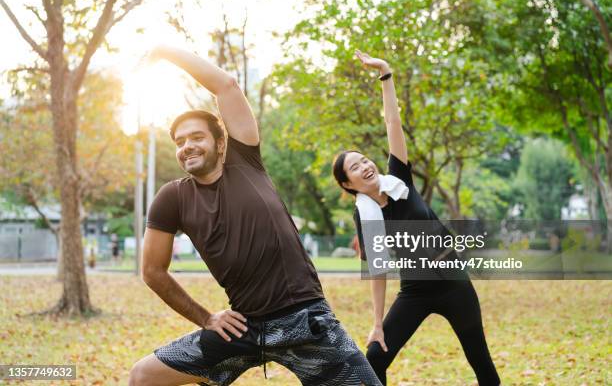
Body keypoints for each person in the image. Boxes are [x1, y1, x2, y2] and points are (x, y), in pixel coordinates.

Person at [128, 45, 382, 386]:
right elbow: (152, 271)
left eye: (196, 137)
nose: (186, 145)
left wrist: (163, 52)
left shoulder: (244, 161)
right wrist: (205, 317)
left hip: (305, 321)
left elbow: (226, 87)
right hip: (244, 328)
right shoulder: (172, 197)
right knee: (143, 376)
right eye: (179, 141)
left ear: (221, 144)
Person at [332, 50, 501, 385]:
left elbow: (392, 123)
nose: (365, 166)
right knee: (376, 357)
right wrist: (377, 322)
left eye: (365, 160)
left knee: (481, 362)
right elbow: (377, 271)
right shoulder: (365, 216)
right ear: (348, 185)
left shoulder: (400, 181)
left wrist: (386, 76)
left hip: (454, 282)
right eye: (355, 167)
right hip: (415, 290)